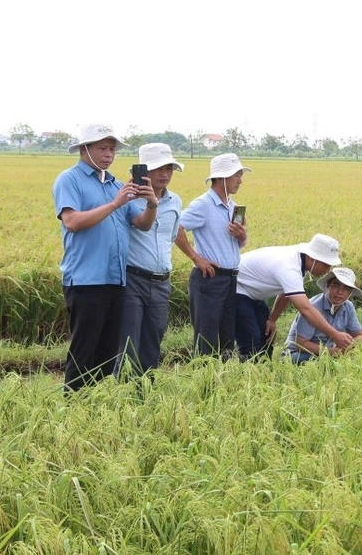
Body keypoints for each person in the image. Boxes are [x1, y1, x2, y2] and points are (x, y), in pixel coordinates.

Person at [52, 124, 156, 391]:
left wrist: (152, 204)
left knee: (108, 353)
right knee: (84, 350)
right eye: (102, 148)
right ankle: (74, 406)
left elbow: (141, 223)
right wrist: (114, 204)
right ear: (84, 149)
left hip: (116, 279)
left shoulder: (117, 185)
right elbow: (72, 221)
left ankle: (96, 405)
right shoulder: (69, 179)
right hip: (86, 280)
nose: (109, 154)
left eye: (112, 149)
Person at [118, 143, 184, 375]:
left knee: (153, 338)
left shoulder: (175, 201)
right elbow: (142, 225)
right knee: (128, 342)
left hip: (161, 282)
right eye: (159, 169)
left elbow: (172, 236)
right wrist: (151, 204)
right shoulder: (128, 198)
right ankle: (120, 396)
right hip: (133, 279)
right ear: (144, 171)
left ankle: (145, 393)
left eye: (169, 169)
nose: (165, 174)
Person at [177, 153, 250, 358]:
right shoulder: (203, 204)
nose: (240, 180)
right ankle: (204, 384)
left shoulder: (234, 207)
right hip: (209, 278)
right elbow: (176, 227)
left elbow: (240, 244)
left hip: (230, 278)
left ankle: (223, 382)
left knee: (227, 335)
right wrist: (195, 257)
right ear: (221, 178)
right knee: (207, 337)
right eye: (236, 175)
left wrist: (242, 235)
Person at [234, 234, 354, 360]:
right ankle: (248, 375)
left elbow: (286, 293)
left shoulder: (300, 260)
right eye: (326, 264)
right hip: (236, 287)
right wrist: (334, 334)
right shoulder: (289, 266)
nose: (328, 269)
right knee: (251, 338)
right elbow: (305, 309)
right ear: (313, 258)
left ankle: (264, 372)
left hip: (253, 294)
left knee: (266, 334)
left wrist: (273, 319)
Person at [283, 266, 362, 364]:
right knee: (327, 363)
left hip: (326, 352)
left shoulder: (348, 306)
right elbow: (300, 344)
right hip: (297, 354)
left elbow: (360, 336)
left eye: (346, 289)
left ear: (350, 293)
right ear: (327, 286)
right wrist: (331, 352)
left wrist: (347, 347)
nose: (340, 292)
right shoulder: (311, 307)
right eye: (335, 285)